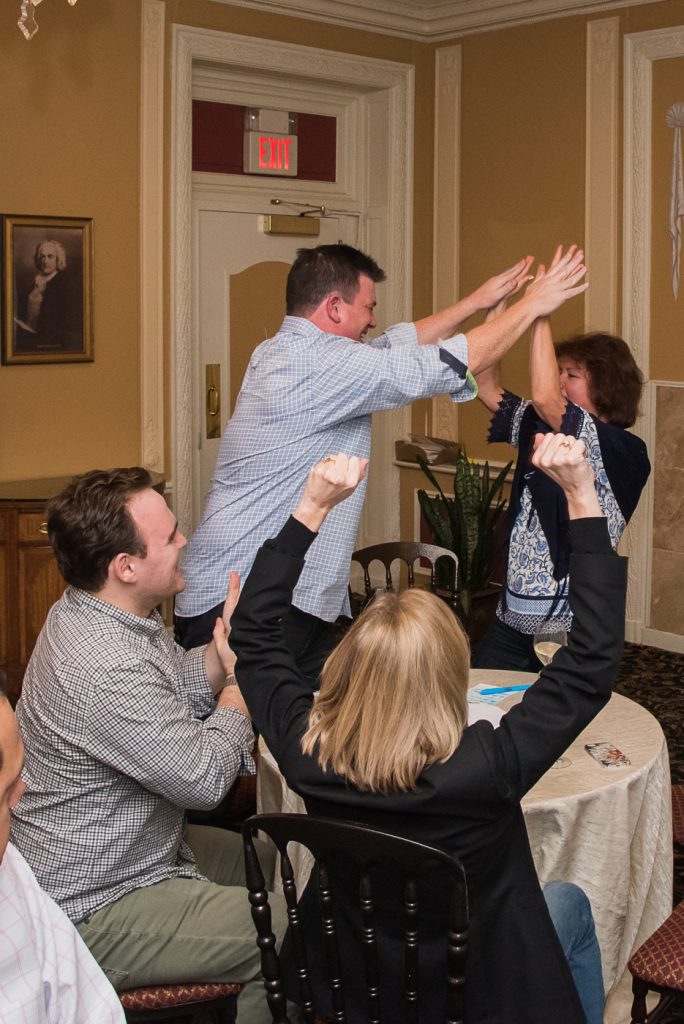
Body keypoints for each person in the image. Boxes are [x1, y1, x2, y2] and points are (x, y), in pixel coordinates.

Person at [228, 443, 626, 1024]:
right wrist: (582, 495)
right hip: (482, 991)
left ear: (347, 669)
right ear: (449, 677)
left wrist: (311, 508)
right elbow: (591, 660)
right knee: (569, 903)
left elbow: (255, 639)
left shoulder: (307, 752)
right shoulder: (488, 765)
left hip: (354, 981)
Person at [174, 242, 587, 684]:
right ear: (334, 307)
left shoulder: (288, 350)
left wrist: (477, 302)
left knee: (310, 729)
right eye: (368, 307)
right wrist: (532, 306)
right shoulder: (316, 363)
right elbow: (442, 364)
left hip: (286, 594)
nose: (374, 320)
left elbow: (395, 345)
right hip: (243, 597)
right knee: (244, 733)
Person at [10, 467, 286, 1024]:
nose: (185, 541)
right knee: (282, 925)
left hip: (145, 848)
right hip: (95, 901)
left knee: (285, 856)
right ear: (126, 566)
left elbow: (166, 691)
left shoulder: (106, 612)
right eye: (171, 536)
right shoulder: (104, 662)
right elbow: (206, 779)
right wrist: (238, 686)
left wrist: (219, 651)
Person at [472, 246, 650, 670]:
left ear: (607, 386)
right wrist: (500, 314)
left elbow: (546, 396)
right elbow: (484, 381)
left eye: (572, 375)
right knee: (479, 704)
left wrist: (540, 311)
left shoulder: (621, 449)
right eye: (561, 373)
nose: (561, 382)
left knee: (559, 728)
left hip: (568, 627)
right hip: (510, 619)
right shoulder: (542, 426)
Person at [0, 686, 125, 1023]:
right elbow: (202, 780)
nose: (20, 797)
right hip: (91, 900)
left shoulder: (10, 869)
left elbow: (93, 1010)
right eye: (7, 791)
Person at [14, 239, 81, 354]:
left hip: (49, 341)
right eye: (42, 256)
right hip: (28, 335)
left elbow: (66, 322)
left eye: (50, 257)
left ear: (58, 260)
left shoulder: (64, 284)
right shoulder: (35, 281)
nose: (45, 261)